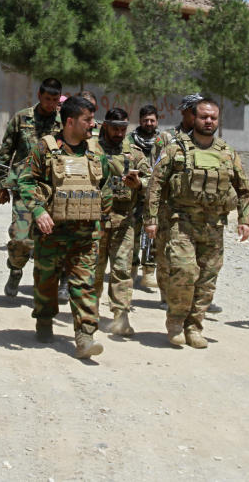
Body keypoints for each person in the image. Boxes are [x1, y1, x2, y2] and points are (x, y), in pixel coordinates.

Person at [144, 98, 249, 348]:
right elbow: (155, 184)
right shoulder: (175, 149)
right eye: (204, 117)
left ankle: (195, 326)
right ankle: (176, 321)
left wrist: (246, 220)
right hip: (181, 222)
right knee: (184, 271)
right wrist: (151, 219)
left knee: (207, 278)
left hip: (213, 226)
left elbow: (244, 189)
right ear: (194, 118)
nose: (209, 121)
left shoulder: (227, 153)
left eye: (213, 117)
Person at [17, 95, 112, 359]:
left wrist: (104, 220)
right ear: (70, 121)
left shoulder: (96, 151)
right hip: (52, 233)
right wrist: (37, 210)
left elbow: (106, 187)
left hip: (85, 235)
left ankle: (85, 336)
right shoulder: (45, 149)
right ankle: (44, 321)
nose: (93, 125)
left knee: (84, 285)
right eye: (88, 120)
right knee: (46, 282)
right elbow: (25, 181)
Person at [0, 78, 63, 297]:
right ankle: (15, 269)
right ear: (39, 96)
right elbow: (5, 153)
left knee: (52, 239)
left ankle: (50, 284)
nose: (50, 104)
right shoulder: (22, 118)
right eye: (47, 99)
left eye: (55, 100)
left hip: (54, 190)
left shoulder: (64, 122)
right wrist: (1, 184)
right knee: (21, 237)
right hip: (25, 188)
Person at [94, 108, 149, 336]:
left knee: (122, 269)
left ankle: (120, 316)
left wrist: (138, 185)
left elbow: (149, 181)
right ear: (105, 125)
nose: (119, 133)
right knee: (94, 269)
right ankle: (90, 311)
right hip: (95, 220)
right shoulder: (91, 149)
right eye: (115, 128)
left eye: (123, 129)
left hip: (124, 220)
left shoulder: (134, 154)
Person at [127, 104, 167, 291]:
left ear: (157, 121)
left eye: (152, 120)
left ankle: (148, 273)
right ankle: (132, 270)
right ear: (140, 121)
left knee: (152, 234)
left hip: (155, 196)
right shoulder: (130, 141)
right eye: (145, 120)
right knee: (133, 234)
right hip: (134, 194)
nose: (149, 123)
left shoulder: (164, 141)